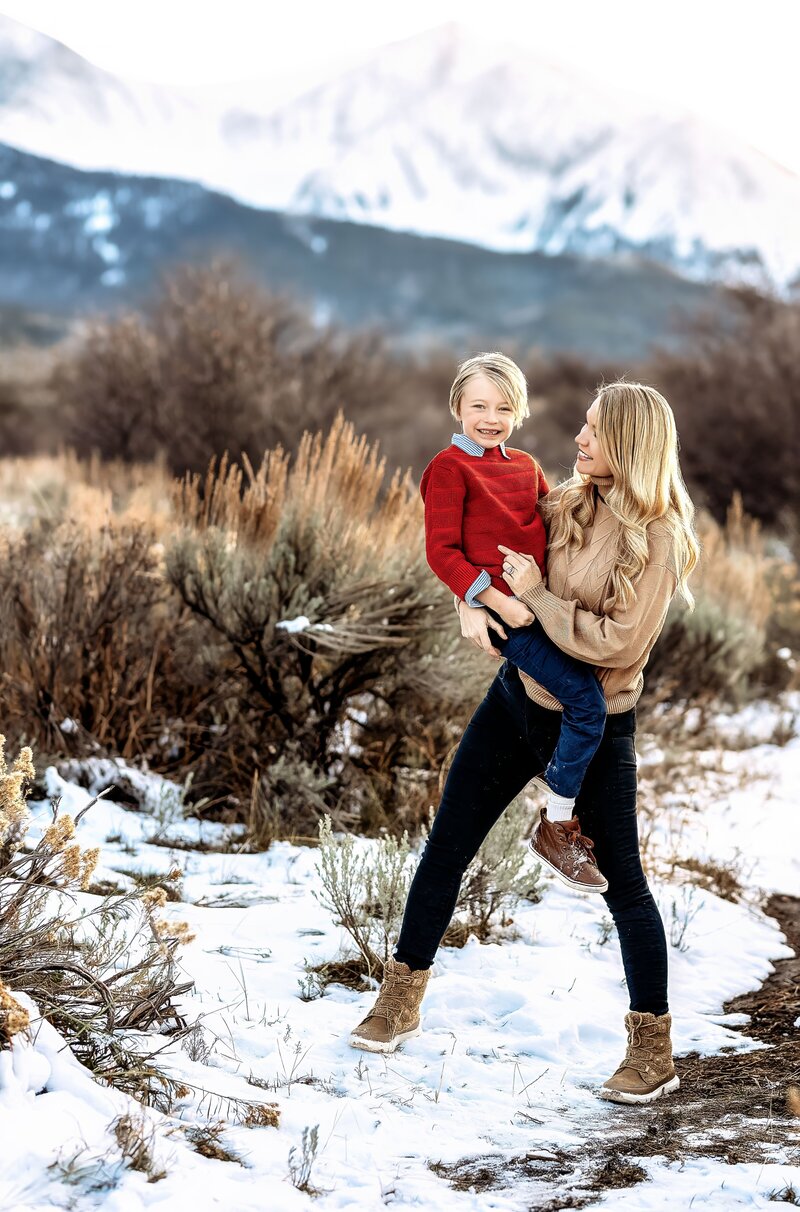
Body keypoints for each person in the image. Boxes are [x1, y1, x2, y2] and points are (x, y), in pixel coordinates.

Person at [349, 381, 700, 1106]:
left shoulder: (658, 539)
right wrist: (466, 602)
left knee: (625, 886)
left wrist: (534, 598)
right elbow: (482, 549)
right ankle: (399, 997)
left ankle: (652, 1048)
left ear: (628, 446)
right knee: (446, 844)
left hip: (597, 722)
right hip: (516, 701)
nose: (577, 439)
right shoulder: (568, 500)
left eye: (594, 432)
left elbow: (614, 643)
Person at [419, 352, 608, 894]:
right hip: (512, 620)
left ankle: (573, 797)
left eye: (504, 407)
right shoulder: (448, 469)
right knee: (585, 702)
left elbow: (556, 514)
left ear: (519, 411)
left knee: (582, 695)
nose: (490, 417)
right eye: (478, 405)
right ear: (457, 404)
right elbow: (442, 553)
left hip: (541, 603)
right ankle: (556, 822)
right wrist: (488, 602)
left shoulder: (525, 466)